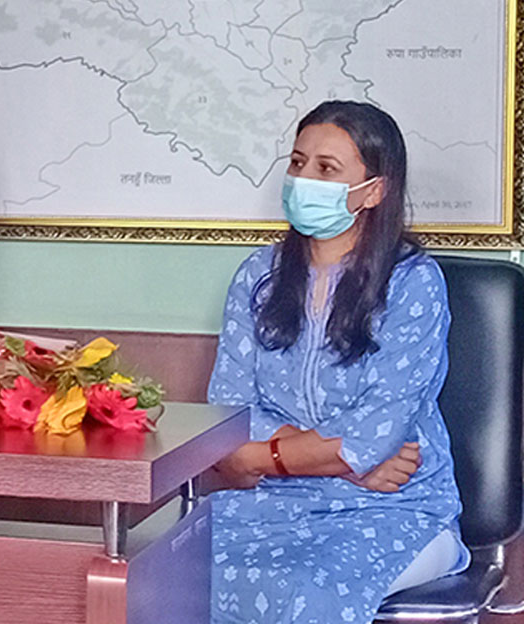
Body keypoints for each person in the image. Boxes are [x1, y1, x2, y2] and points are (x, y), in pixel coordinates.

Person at [207, 101, 468, 623]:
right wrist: (341, 462)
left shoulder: (413, 282)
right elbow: (228, 411)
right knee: (171, 570)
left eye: (326, 169)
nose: (304, 179)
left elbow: (374, 434)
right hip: (271, 503)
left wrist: (259, 457)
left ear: (373, 191)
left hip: (394, 507)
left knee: (304, 591)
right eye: (298, 162)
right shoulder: (258, 275)